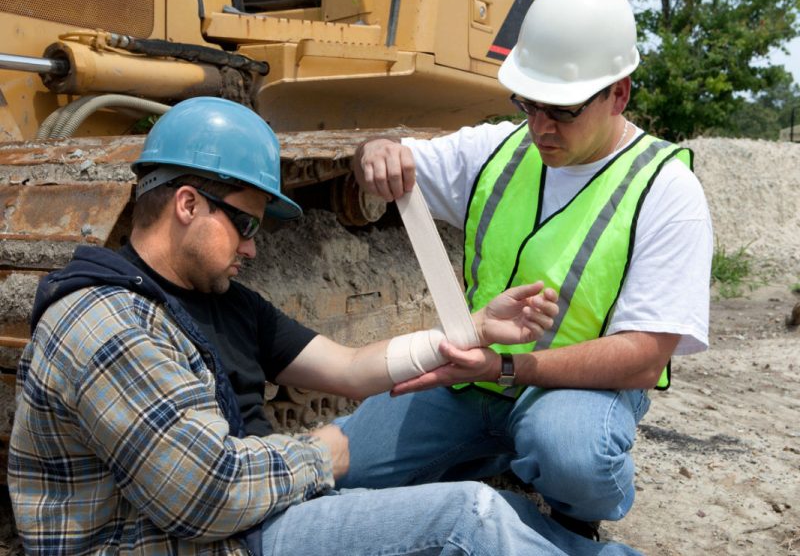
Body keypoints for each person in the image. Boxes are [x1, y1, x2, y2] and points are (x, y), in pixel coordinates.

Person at [8, 96, 643, 555]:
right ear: (187, 204)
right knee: (466, 516)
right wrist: (327, 452)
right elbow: (204, 495)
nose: (254, 248)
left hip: (251, 518)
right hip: (195, 540)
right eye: (248, 223)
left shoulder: (225, 302)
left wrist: (473, 330)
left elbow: (347, 368)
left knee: (487, 512)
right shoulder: (103, 323)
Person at [337, 0, 713, 539]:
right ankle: (496, 458)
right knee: (347, 471)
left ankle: (570, 515)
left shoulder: (666, 191)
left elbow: (644, 357)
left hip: (573, 395)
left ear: (619, 94)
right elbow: (392, 158)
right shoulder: (501, 149)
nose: (540, 126)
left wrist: (509, 367)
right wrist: (376, 152)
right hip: (471, 383)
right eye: (528, 104)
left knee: (572, 454)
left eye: (560, 110)